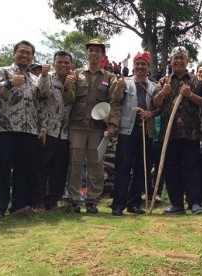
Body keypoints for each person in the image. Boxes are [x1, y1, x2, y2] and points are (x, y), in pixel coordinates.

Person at [0, 40, 45, 218]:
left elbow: (40, 105)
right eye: (22, 52)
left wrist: (42, 127)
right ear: (15, 53)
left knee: (25, 170)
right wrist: (10, 83)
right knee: (1, 169)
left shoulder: (35, 79)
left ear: (32, 57)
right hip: (6, 128)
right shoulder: (2, 71)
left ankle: (20, 205)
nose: (25, 55)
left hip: (29, 131)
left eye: (29, 53)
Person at [153, 46, 202, 215]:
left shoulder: (196, 81)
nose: (178, 61)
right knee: (171, 168)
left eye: (182, 58)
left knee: (192, 167)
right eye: (175, 58)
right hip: (169, 134)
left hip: (190, 133)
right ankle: (176, 203)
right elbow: (155, 103)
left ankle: (195, 202)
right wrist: (163, 92)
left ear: (187, 61)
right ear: (170, 61)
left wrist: (190, 94)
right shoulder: (163, 81)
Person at [68, 38, 120, 214]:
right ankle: (74, 199)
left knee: (96, 164)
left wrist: (112, 124)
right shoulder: (76, 74)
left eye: (98, 51)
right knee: (75, 163)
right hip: (77, 125)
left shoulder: (110, 77)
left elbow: (114, 102)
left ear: (103, 55)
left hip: (98, 127)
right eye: (91, 50)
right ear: (87, 53)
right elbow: (69, 100)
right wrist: (67, 88)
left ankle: (92, 199)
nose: (94, 53)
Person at [111, 52, 159, 216]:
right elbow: (116, 100)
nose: (140, 67)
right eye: (137, 64)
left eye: (143, 64)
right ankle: (118, 204)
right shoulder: (126, 83)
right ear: (133, 66)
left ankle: (134, 204)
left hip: (145, 132)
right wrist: (118, 87)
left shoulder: (153, 87)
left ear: (148, 67)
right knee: (122, 168)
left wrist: (150, 114)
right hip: (127, 131)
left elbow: (159, 107)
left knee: (142, 169)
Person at [34, 51, 75, 211]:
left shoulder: (74, 80)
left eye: (66, 62)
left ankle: (53, 200)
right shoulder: (47, 77)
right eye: (60, 62)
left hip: (65, 132)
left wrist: (69, 86)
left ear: (71, 64)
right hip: (47, 130)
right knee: (42, 167)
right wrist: (43, 74)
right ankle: (39, 200)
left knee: (59, 168)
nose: (63, 65)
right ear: (54, 63)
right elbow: (42, 93)